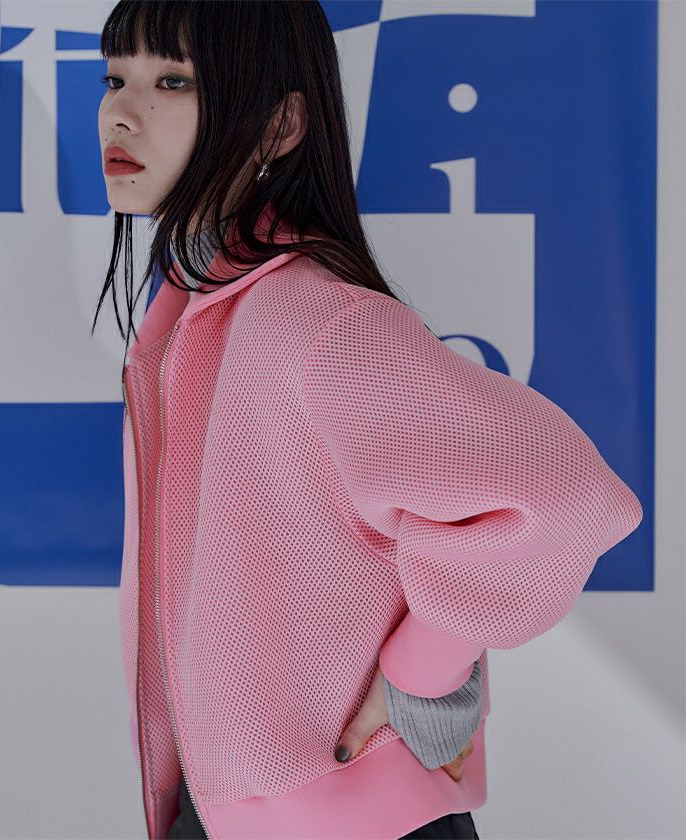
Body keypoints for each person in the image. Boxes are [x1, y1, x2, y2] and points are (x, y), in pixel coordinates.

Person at [93, 2, 643, 839]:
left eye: (173, 81)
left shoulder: (316, 323)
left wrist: (422, 674)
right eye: (114, 78)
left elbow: (564, 496)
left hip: (345, 818)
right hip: (231, 812)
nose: (121, 113)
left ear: (280, 125)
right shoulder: (192, 318)